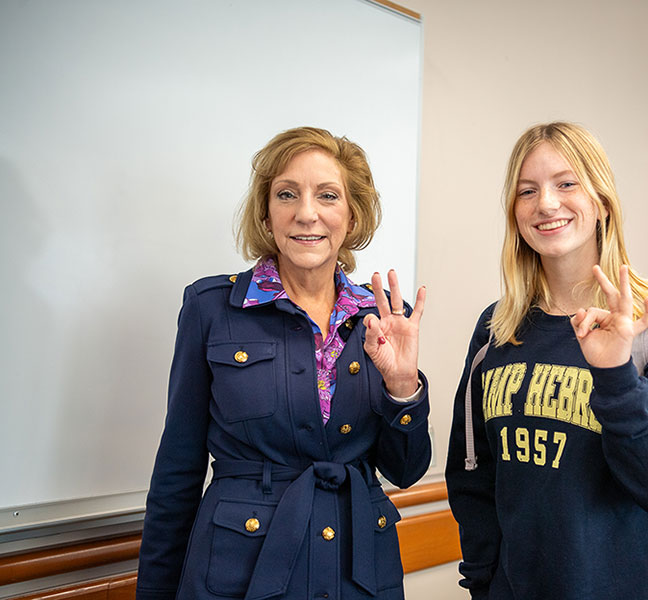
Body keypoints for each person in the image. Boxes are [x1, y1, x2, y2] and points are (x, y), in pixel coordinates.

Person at [137, 127, 430, 600]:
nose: (306, 213)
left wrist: (402, 387)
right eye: (287, 194)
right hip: (238, 572)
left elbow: (406, 470)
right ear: (267, 213)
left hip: (358, 573)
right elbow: (177, 470)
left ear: (352, 217)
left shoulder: (381, 319)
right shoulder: (211, 307)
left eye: (328, 196)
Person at [445, 122, 648, 599]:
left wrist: (615, 377)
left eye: (566, 183)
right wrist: (485, 584)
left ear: (602, 201)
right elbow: (474, 478)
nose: (546, 203)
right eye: (527, 191)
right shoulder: (497, 329)